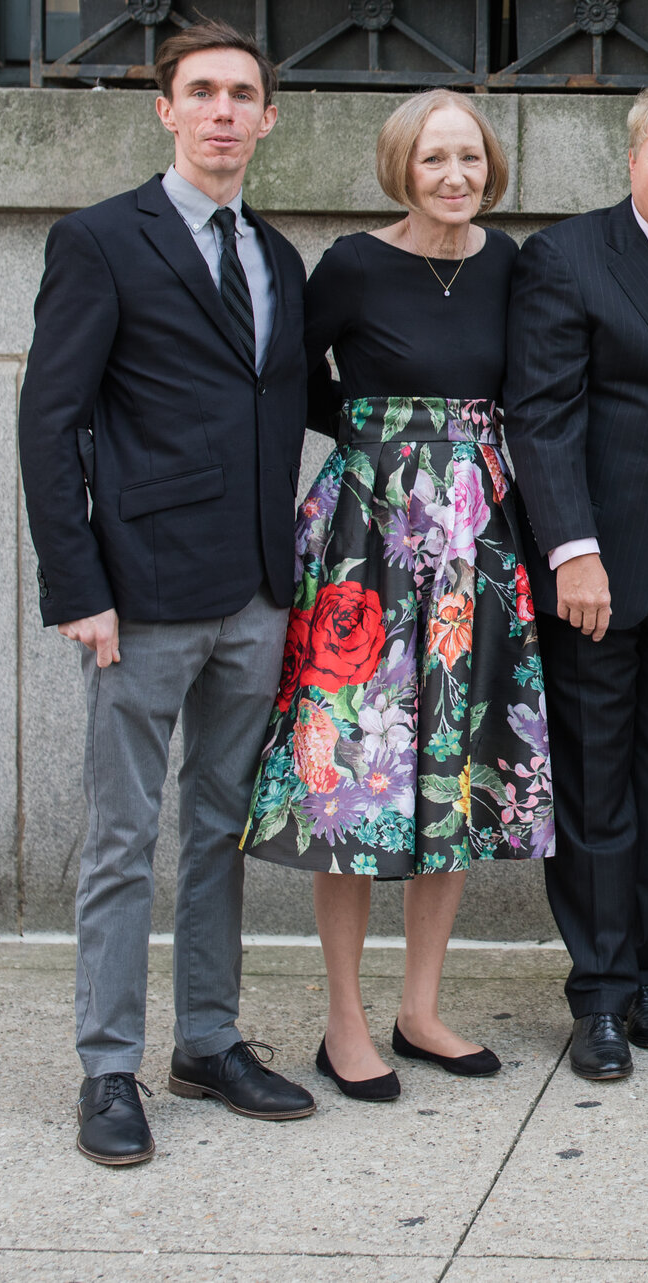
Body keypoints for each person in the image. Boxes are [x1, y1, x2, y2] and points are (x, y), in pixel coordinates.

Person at [18, 21, 318, 1167]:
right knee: (121, 835)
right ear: (166, 110)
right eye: (203, 93)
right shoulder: (99, 241)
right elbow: (50, 421)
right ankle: (107, 1064)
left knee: (220, 827)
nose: (224, 112)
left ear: (269, 116)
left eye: (244, 93)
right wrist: (75, 583)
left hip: (255, 594)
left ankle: (207, 1037)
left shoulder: (276, 256)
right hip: (136, 597)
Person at [239, 91, 547, 1103]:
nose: (452, 175)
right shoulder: (354, 266)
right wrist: (378, 434)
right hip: (369, 540)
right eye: (433, 158)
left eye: (468, 157)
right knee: (356, 781)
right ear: (400, 166)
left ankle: (420, 1007)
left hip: (474, 543)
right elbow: (287, 374)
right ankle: (344, 1019)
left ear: (489, 166)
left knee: (447, 773)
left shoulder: (510, 264)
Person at [504, 84, 648, 1082]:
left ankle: (647, 971)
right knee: (596, 780)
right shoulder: (568, 256)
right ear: (632, 159)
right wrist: (571, 549)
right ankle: (595, 991)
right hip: (598, 568)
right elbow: (541, 415)